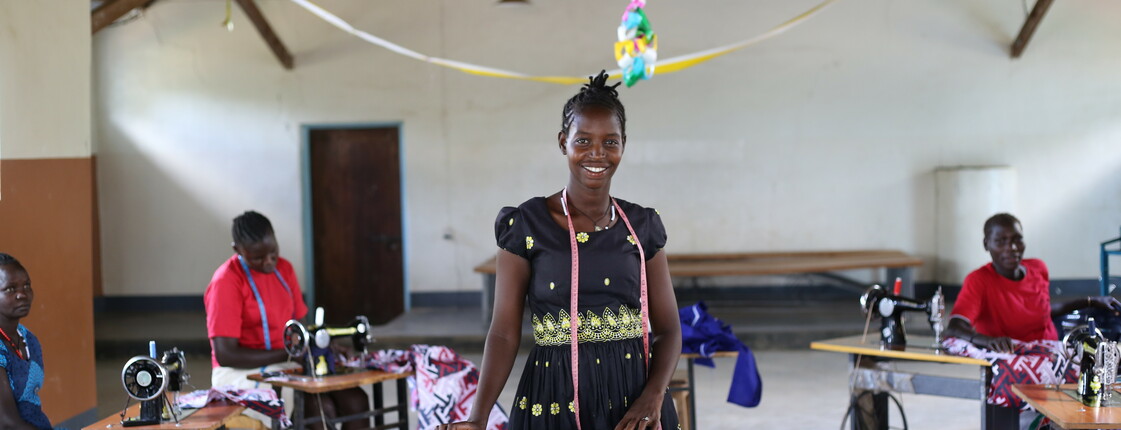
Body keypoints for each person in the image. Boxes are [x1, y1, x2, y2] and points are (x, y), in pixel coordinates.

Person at [439, 72, 681, 430]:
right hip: (554, 399)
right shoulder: (527, 225)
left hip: (634, 399)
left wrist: (654, 395)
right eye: (583, 140)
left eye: (609, 142)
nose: (596, 153)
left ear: (623, 145)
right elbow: (504, 332)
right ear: (562, 142)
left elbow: (669, 329)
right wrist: (477, 417)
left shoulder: (641, 225)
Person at [204, 211, 368, 428]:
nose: (268, 262)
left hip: (284, 362)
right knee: (319, 408)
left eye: (273, 252)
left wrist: (327, 347)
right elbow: (226, 355)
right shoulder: (226, 281)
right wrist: (291, 353)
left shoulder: (284, 270)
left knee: (357, 402)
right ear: (237, 249)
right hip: (240, 372)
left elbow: (303, 330)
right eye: (257, 258)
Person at [946, 213, 1121, 353]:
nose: (1012, 247)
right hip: (1014, 360)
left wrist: (1091, 301)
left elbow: (1043, 312)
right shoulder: (979, 280)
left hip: (1052, 354)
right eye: (1001, 241)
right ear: (987, 244)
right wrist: (989, 341)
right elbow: (956, 326)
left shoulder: (1037, 268)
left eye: (1017, 239)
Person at [0, 254, 50, 430]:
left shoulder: (28, 339)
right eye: (10, 289)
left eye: (27, 286)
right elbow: (6, 423)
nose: (22, 294)